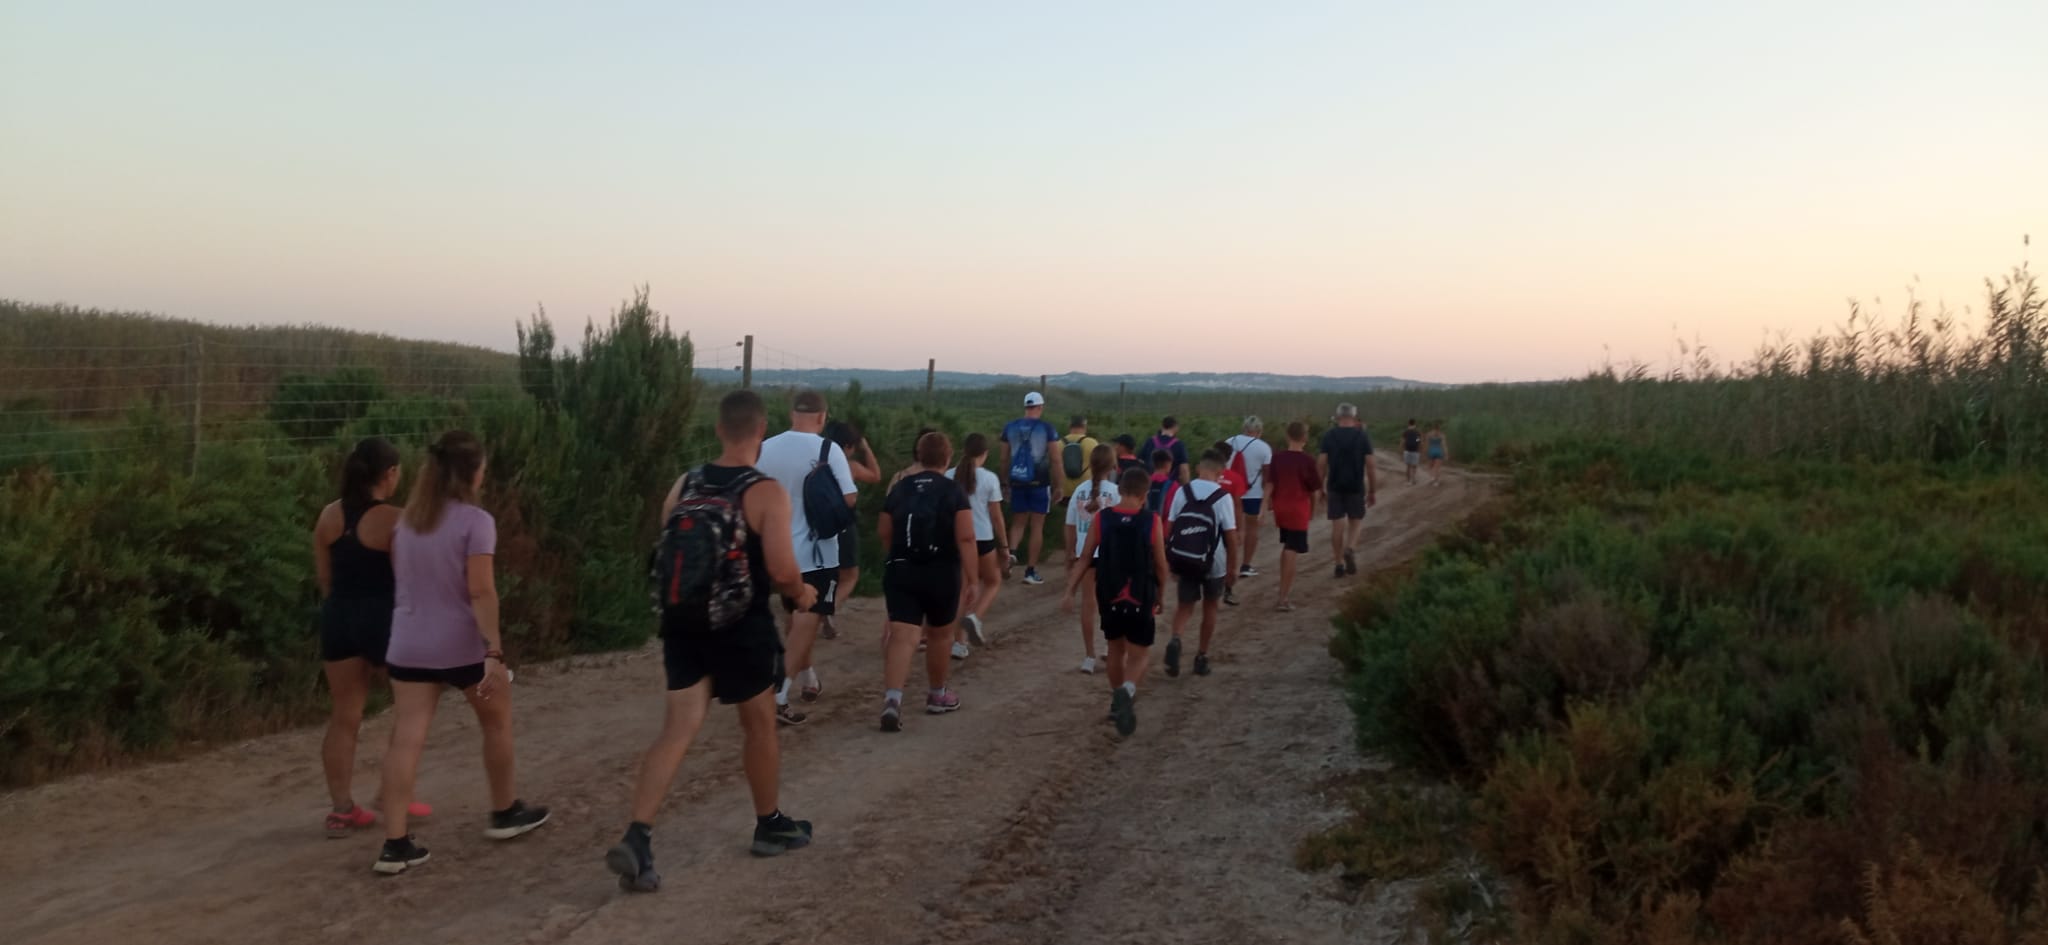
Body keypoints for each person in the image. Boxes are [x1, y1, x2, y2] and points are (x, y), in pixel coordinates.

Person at [606, 390, 817, 893]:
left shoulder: (687, 482)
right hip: (740, 626)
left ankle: (638, 836)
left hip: (682, 623)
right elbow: (784, 569)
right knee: (759, 725)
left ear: (720, 429)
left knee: (677, 729)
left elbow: (669, 546)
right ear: (760, 432)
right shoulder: (764, 491)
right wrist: (801, 592)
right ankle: (769, 823)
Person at [373, 430, 549, 875]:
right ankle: (505, 810)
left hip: (409, 642)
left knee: (406, 736)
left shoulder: (406, 523)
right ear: (472, 472)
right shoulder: (475, 521)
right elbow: (481, 591)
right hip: (463, 645)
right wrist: (494, 649)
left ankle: (394, 845)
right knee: (496, 723)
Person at [311, 437, 431, 836]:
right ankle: (391, 793)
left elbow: (325, 579)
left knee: (345, 714)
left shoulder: (329, 516)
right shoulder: (396, 518)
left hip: (339, 616)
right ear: (390, 474)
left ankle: (342, 809)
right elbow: (408, 580)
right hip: (383, 616)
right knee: (413, 707)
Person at [754, 390, 857, 724]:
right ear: (822, 417)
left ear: (791, 413)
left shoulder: (766, 447)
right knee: (807, 620)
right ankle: (778, 696)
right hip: (817, 553)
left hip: (776, 548)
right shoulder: (829, 450)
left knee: (796, 618)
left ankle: (807, 677)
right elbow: (850, 498)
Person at [877, 432, 978, 731]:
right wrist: (971, 578)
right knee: (939, 635)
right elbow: (966, 536)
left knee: (903, 636)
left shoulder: (900, 488)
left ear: (919, 456)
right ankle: (937, 694)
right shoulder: (953, 490)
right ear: (947, 458)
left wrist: (897, 556)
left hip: (901, 568)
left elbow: (884, 531)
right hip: (941, 571)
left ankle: (893, 700)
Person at [1061, 466, 1169, 736]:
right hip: (1140, 594)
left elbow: (1085, 557)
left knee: (1115, 649)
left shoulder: (1103, 518)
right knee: (1139, 654)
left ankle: (1115, 699)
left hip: (1109, 593)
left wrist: (1070, 590)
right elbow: (1160, 564)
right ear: (1145, 495)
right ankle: (1127, 692)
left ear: (1119, 491)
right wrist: (1161, 594)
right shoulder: (1151, 521)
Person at [1163, 449, 1240, 679]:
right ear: (1220, 472)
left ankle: (1176, 639)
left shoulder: (1182, 491)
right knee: (1210, 607)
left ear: (1198, 468)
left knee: (1185, 606)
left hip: (1185, 557)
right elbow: (1231, 538)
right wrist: (1232, 569)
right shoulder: (1223, 497)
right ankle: (1201, 657)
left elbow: (1169, 529)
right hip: (1213, 562)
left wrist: (1170, 561)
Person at [822, 419, 881, 640]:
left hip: (816, 524)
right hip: (843, 525)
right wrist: (866, 447)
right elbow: (876, 476)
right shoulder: (850, 466)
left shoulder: (817, 462)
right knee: (850, 575)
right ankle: (829, 608)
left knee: (821, 572)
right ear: (848, 446)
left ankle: (818, 607)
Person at [950, 433, 1008, 654]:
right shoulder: (989, 478)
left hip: (956, 538)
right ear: (984, 454)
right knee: (993, 581)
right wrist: (1004, 546)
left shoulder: (949, 475)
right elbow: (996, 516)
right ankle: (974, 617)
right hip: (982, 538)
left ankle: (958, 643)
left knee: (962, 590)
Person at [1064, 444, 1120, 673]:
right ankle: (1109, 648)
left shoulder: (1079, 491)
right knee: (1111, 604)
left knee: (1088, 605)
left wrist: (1070, 554)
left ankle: (1089, 656)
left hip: (1084, 556)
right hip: (1110, 555)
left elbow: (1069, 526)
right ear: (1113, 466)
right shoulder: (1116, 492)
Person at [1001, 391, 1065, 586]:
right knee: (1037, 526)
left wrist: (1004, 483)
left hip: (1017, 480)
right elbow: (1055, 459)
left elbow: (1004, 459)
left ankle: (1011, 553)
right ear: (1040, 407)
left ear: (1025, 407)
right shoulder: (1046, 428)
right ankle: (1030, 570)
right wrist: (1059, 485)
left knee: (1018, 522)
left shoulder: (1010, 427)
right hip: (1040, 482)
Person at [1264, 422, 1324, 611]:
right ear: (1305, 438)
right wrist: (1313, 512)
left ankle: (1283, 591)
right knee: (1292, 550)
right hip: (1298, 509)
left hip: (1281, 508)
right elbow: (1315, 491)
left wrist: (1264, 505)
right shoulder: (1307, 461)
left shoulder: (1277, 458)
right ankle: (1283, 598)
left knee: (1287, 546)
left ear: (1287, 436)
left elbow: (1270, 484)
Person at [1318, 403, 1378, 579]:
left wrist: (1319, 487)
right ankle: (1350, 548)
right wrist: (1372, 490)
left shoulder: (1329, 436)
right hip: (1355, 486)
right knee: (1356, 521)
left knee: (1337, 525)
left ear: (1337, 417)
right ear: (1354, 417)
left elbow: (1321, 464)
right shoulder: (1362, 436)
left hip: (1335, 486)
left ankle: (1338, 564)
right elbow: (1371, 466)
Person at [1224, 417, 1273, 580]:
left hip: (1229, 492)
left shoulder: (1229, 442)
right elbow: (1267, 476)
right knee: (1252, 529)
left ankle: (1227, 565)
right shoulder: (1264, 448)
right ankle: (1245, 565)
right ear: (1259, 431)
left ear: (1243, 428)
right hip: (1253, 494)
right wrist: (1267, 500)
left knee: (1229, 528)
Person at [1057, 415, 1100, 504]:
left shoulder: (1058, 444)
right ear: (1084, 427)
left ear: (1070, 427)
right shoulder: (1092, 443)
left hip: (1064, 490)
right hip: (1085, 490)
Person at [1144, 416, 1191, 485]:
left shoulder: (1150, 441)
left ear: (1162, 426)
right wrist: (1186, 488)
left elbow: (1141, 462)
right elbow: (1184, 470)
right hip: (1170, 486)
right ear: (1176, 428)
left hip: (1150, 485)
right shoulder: (1178, 444)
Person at [1145, 449, 1175, 518]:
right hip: (1163, 526)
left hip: (1144, 525)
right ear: (1168, 464)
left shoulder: (1143, 482)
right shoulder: (1173, 485)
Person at [1400, 419, 1424, 486]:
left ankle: (1408, 480)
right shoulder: (1417, 432)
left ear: (1408, 423)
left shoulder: (1405, 432)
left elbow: (1403, 441)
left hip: (1407, 450)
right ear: (1415, 424)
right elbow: (1419, 440)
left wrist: (1401, 450)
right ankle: (1413, 479)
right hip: (1415, 451)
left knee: (1408, 466)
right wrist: (1418, 444)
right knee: (1414, 466)